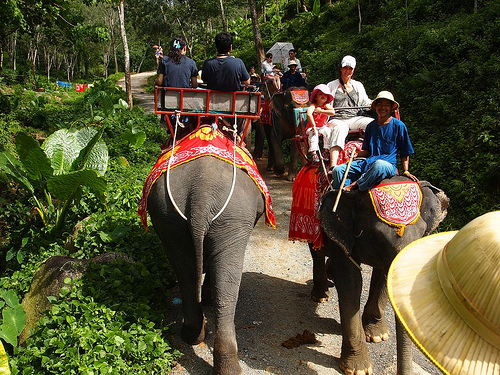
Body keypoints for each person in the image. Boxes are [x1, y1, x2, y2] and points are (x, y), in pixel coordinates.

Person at [331, 91, 418, 192]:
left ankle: (355, 185)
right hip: (368, 163)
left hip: (386, 165)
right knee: (338, 170)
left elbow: (405, 151)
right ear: (375, 107)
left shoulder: (399, 126)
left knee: (379, 164)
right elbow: (368, 151)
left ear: (391, 108)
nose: (383, 107)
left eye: (386, 105)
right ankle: (342, 195)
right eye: (380, 104)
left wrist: (406, 171)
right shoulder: (370, 127)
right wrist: (358, 154)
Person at [327, 55, 373, 168]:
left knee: (372, 124)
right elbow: (325, 103)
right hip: (336, 118)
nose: (347, 71)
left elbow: (365, 102)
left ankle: (373, 153)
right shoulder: (331, 85)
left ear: (354, 70)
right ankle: (333, 165)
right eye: (345, 68)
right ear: (340, 68)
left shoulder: (358, 85)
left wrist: (375, 104)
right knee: (341, 128)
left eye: (350, 69)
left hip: (354, 118)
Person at [306, 84, 335, 154]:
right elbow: (309, 113)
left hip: (322, 126)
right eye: (320, 94)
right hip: (312, 127)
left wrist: (321, 111)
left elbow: (332, 112)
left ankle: (326, 150)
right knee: (313, 134)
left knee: (328, 132)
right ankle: (313, 152)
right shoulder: (313, 105)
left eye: (325, 95)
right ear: (316, 97)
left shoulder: (326, 105)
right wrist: (313, 127)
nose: (323, 96)